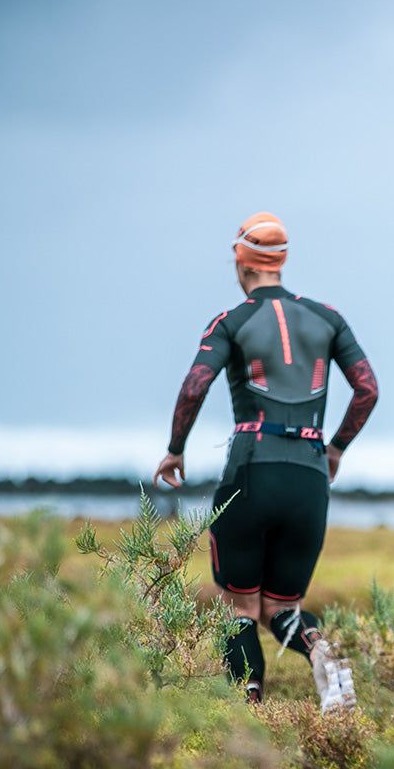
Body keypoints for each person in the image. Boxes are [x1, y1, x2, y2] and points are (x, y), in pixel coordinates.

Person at [154, 212, 378, 708]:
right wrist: (335, 448)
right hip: (309, 475)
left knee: (239, 607)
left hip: (251, 474)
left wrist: (175, 448)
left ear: (241, 261)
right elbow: (367, 389)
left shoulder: (231, 322)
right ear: (282, 261)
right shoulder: (327, 318)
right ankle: (325, 660)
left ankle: (251, 705)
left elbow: (194, 386)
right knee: (282, 607)